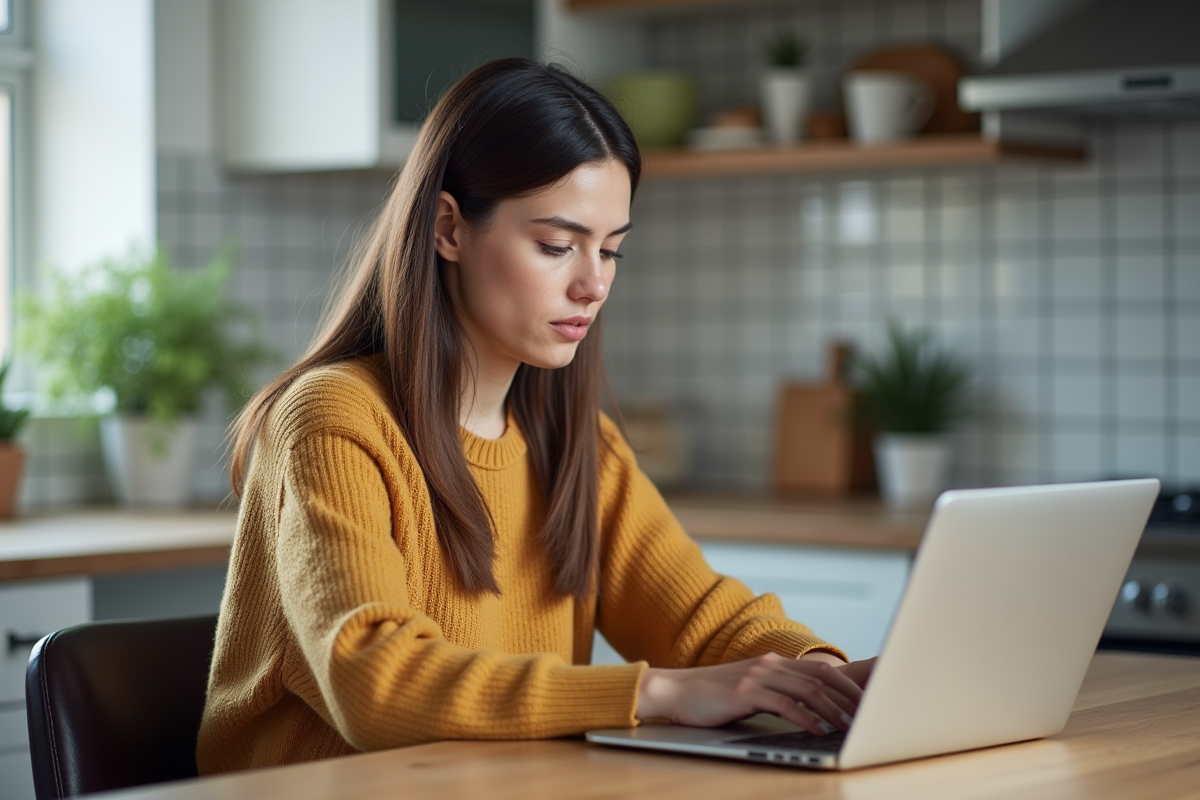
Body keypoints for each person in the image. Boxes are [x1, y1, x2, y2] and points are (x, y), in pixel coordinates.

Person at [198, 57, 874, 775]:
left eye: (610, 250)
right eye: (556, 246)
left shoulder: (576, 446)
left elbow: (704, 621)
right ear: (448, 228)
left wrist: (824, 678)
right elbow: (376, 681)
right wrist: (657, 692)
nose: (593, 284)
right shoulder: (333, 420)